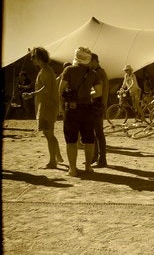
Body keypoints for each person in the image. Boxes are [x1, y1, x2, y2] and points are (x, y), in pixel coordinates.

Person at [58, 47, 102, 176]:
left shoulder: (68, 70)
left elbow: (60, 90)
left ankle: (72, 169)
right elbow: (98, 92)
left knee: (71, 140)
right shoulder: (92, 73)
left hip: (72, 109)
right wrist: (87, 95)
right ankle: (88, 166)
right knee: (89, 139)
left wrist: (63, 105)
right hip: (88, 109)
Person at [22, 47, 63, 168]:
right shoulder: (46, 70)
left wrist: (31, 94)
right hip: (47, 106)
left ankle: (53, 162)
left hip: (47, 106)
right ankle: (58, 156)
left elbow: (45, 88)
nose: (32, 59)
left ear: (39, 58)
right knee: (49, 134)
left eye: (33, 57)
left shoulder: (45, 71)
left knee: (48, 134)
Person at [90, 53, 109, 167]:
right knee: (96, 133)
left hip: (98, 106)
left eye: (90, 61)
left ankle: (102, 159)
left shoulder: (99, 73)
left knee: (99, 134)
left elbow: (99, 91)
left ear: (95, 61)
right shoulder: (99, 72)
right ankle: (95, 157)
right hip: (98, 106)